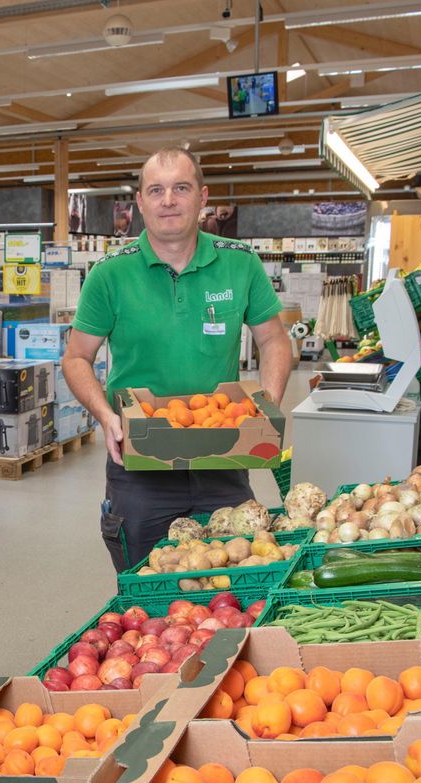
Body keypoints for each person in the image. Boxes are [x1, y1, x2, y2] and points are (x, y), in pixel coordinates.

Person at [61, 146, 293, 572]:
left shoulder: (240, 264)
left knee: (236, 581)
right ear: (140, 202)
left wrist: (267, 406)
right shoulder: (109, 274)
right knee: (146, 586)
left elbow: (275, 340)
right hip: (140, 461)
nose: (168, 200)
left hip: (224, 455)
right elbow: (76, 357)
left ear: (203, 198)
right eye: (157, 190)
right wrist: (105, 416)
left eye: (181, 188)